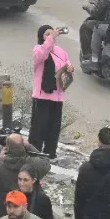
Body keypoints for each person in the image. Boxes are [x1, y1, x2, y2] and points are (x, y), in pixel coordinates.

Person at [0, 133, 51, 219]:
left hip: (3, 213)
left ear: (7, 147)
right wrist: (29, 146)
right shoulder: (33, 164)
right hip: (27, 213)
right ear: (22, 146)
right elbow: (46, 162)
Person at [29, 26, 70, 157]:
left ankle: (50, 153)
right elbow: (41, 55)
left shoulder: (60, 51)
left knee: (54, 127)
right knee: (39, 127)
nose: (50, 36)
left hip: (57, 96)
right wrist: (51, 38)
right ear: (42, 36)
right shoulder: (38, 49)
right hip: (42, 96)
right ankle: (34, 152)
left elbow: (67, 62)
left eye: (51, 33)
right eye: (47, 34)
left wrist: (70, 67)